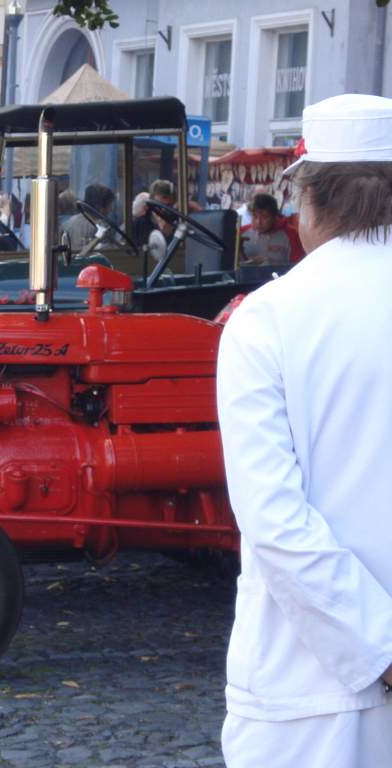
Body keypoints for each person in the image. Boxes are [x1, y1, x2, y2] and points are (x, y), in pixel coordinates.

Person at [216, 93, 392, 768]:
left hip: (307, 691)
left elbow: (274, 519)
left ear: (308, 199)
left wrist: (379, 648)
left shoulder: (269, 317)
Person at [239, 192, 305, 266]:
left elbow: (299, 266)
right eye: (255, 216)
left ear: (274, 217)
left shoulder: (292, 235)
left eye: (264, 217)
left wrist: (274, 265)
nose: (258, 222)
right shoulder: (241, 232)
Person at [62, 183, 116, 250]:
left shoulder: (69, 223)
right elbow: (109, 251)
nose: (110, 210)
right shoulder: (100, 227)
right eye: (109, 205)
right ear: (100, 207)